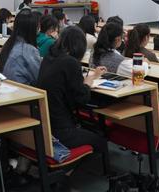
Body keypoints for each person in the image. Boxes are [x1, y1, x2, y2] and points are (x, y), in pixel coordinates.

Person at [37, 26, 110, 174]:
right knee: (101, 141)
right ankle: (68, 171)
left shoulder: (49, 58)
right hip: (61, 131)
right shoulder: (70, 62)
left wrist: (88, 78)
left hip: (46, 125)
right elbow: (82, 99)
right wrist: (88, 82)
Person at [0, 9, 41, 86]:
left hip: (8, 86)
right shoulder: (29, 49)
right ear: (33, 29)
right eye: (38, 26)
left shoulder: (9, 44)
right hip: (23, 90)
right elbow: (38, 77)